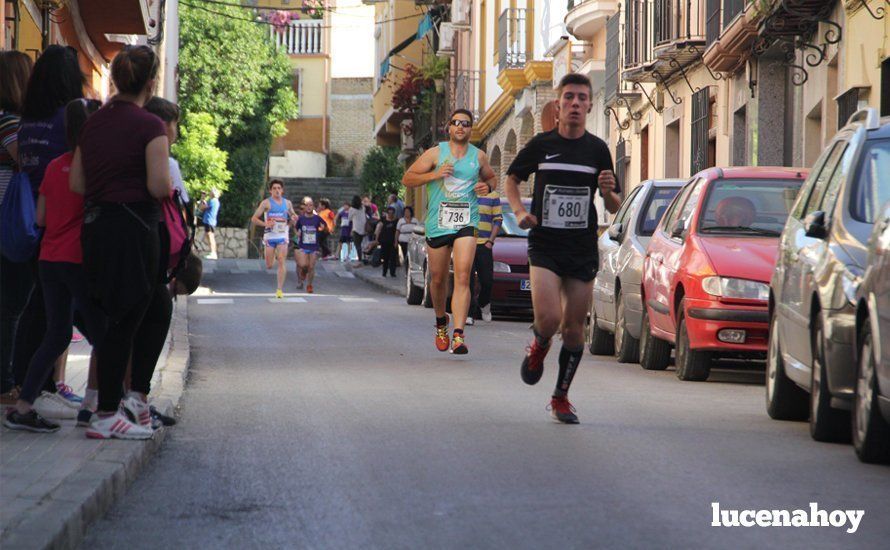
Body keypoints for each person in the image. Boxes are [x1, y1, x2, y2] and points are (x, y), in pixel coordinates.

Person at [505, 73, 621, 424]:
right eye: (568, 97)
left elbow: (614, 204)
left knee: (573, 330)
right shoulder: (541, 145)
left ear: (588, 104)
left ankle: (560, 397)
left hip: (581, 246)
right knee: (550, 320)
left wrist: (608, 190)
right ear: (558, 105)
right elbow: (512, 179)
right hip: (546, 244)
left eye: (581, 98)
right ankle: (539, 346)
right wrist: (520, 212)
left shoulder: (598, 150)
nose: (574, 103)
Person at [70, 44, 172, 439]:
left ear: (114, 80)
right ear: (150, 83)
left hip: (96, 226)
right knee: (126, 319)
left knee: (139, 309)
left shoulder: (92, 123)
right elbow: (158, 184)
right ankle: (109, 410)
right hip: (134, 228)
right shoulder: (150, 126)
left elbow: (77, 183)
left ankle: (129, 400)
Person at [4, 99, 107, 433]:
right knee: (104, 335)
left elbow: (41, 217)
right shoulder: (93, 169)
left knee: (57, 333)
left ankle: (23, 406)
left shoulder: (53, 167)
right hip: (77, 260)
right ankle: (100, 409)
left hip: (49, 259)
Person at [9, 45, 84, 406]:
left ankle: (30, 384)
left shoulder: (27, 123)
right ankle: (35, 387)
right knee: (63, 315)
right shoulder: (66, 120)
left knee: (38, 309)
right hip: (63, 226)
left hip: (32, 223)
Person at [402, 108, 497, 354]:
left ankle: (458, 334)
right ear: (449, 127)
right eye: (456, 123)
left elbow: (492, 180)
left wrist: (485, 186)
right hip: (438, 223)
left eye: (466, 123)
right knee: (437, 279)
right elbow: (408, 178)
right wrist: (435, 174)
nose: (461, 127)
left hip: (466, 222)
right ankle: (441, 323)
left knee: (464, 276)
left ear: (470, 128)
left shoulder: (479, 157)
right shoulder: (436, 153)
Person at [0, 50, 33, 405]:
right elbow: (27, 159)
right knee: (11, 305)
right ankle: (4, 383)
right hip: (7, 221)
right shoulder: (9, 121)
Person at [251, 179, 297, 298]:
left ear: (282, 190)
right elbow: (254, 219)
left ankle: (279, 290)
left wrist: (294, 218)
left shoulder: (287, 203)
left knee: (282, 260)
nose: (277, 190)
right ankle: (274, 257)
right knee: (269, 265)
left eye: (279, 188)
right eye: (274, 188)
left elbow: (293, 215)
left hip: (282, 235)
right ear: (270, 191)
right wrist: (266, 224)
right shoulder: (266, 203)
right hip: (270, 236)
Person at [468, 189, 503, 325]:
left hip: (484, 245)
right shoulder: (467, 191)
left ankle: (484, 303)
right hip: (468, 244)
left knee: (487, 280)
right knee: (468, 281)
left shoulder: (493, 195)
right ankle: (469, 314)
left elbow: (498, 220)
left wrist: (490, 241)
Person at [294, 197, 326, 293]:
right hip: (303, 245)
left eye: (310, 205)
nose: (308, 207)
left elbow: (324, 225)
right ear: (304, 207)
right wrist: (297, 233)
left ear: (313, 207)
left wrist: (322, 228)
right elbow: (295, 228)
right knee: (304, 265)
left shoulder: (317, 218)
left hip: (313, 246)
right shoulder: (301, 218)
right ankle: (303, 273)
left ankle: (309, 285)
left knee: (311, 267)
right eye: (307, 205)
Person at [376, 206, 399, 277]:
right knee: (385, 258)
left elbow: (397, 232)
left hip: (392, 241)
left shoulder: (396, 221)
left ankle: (392, 272)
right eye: (389, 213)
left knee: (393, 258)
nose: (390, 215)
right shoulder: (383, 220)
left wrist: (396, 241)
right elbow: (378, 229)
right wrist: (376, 239)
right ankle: (384, 272)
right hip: (384, 241)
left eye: (392, 213)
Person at [396, 205, 419, 272]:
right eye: (405, 212)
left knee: (412, 256)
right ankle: (406, 270)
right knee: (406, 255)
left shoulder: (415, 220)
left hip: (413, 241)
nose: (407, 213)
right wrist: (396, 241)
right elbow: (397, 231)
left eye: (408, 212)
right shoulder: (401, 221)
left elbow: (418, 229)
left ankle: (411, 269)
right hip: (403, 241)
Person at [199, 188, 220, 259]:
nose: (210, 193)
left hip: (209, 221)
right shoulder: (215, 201)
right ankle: (213, 252)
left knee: (210, 236)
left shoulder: (212, 201)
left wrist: (202, 199)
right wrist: (204, 200)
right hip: (211, 221)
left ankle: (213, 253)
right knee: (210, 236)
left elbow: (202, 208)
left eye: (211, 192)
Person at [348, 195, 367, 266]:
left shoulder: (352, 209)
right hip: (363, 227)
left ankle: (360, 259)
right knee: (362, 243)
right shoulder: (363, 208)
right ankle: (362, 257)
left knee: (357, 244)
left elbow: (349, 218)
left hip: (356, 228)